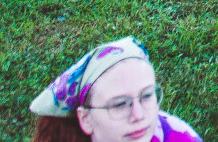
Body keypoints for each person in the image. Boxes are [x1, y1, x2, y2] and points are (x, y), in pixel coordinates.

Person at [27, 35, 202, 142]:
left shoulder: (180, 138)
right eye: (119, 104)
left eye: (147, 95)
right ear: (86, 119)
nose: (139, 116)